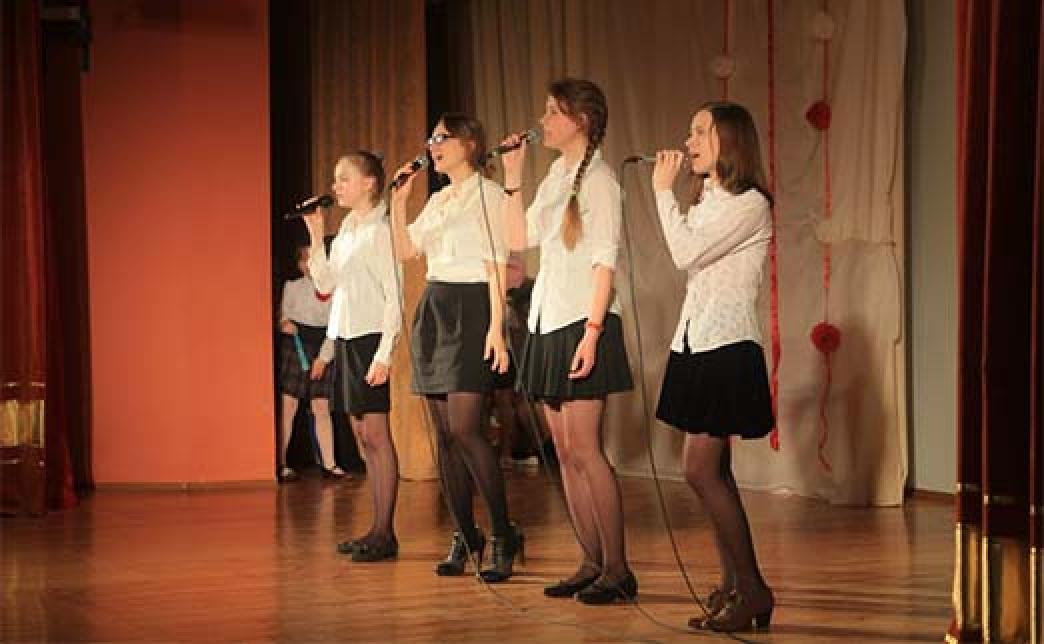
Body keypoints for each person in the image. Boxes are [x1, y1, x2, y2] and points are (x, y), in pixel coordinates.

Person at [499, 78, 636, 604]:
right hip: (548, 320)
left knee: (585, 448)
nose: (543, 121)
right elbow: (518, 238)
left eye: (553, 112)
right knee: (563, 450)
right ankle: (591, 560)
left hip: (582, 322)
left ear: (580, 121)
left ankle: (618, 569)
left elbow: (604, 261)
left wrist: (592, 333)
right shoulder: (556, 175)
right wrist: (513, 178)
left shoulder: (600, 180)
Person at [651, 101, 776, 632]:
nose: (689, 141)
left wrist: (661, 193)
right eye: (691, 131)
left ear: (731, 140)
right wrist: (677, 197)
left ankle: (754, 589)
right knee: (715, 472)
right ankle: (734, 586)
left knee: (699, 470)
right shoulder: (710, 199)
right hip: (696, 341)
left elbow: (685, 253)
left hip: (726, 347)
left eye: (701, 131)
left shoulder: (750, 204)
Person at [389, 113, 523, 582]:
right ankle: (466, 535)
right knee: (445, 436)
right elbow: (406, 251)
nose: (433, 145)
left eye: (442, 138)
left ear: (469, 144)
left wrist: (496, 328)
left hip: (473, 308)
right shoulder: (440, 198)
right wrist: (399, 204)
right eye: (431, 138)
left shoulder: (490, 195)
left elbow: (496, 264)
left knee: (467, 428)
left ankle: (503, 533)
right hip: (436, 307)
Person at [304, 151, 402, 562]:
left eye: (344, 178)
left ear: (369, 183)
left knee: (377, 435)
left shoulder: (381, 230)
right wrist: (316, 235)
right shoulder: (346, 229)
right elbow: (326, 284)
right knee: (362, 435)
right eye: (335, 179)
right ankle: (375, 528)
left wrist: (384, 353)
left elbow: (394, 295)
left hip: (369, 338)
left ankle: (385, 532)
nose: (336, 186)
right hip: (345, 336)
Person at [276, 246, 345, 482]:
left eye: (314, 258)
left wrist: (323, 358)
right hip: (295, 345)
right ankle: (280, 463)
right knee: (288, 405)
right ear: (300, 265)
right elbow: (282, 316)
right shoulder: (292, 287)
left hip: (322, 344)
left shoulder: (334, 290)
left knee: (321, 406)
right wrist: (283, 324)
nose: (310, 264)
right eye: (305, 259)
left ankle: (329, 464)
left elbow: (335, 328)